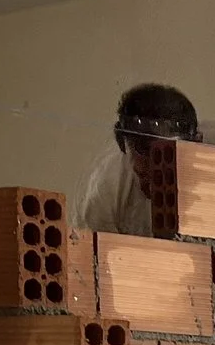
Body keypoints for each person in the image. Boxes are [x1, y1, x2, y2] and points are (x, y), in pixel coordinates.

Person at [76, 83, 200, 237]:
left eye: (169, 151)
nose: (156, 161)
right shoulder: (107, 187)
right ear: (122, 143)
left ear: (196, 147)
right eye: (143, 147)